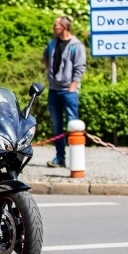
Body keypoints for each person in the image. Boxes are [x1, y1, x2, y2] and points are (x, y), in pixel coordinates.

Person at [42, 15, 86, 168]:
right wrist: (49, 74)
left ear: (64, 27)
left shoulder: (76, 45)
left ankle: (76, 159)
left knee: (73, 124)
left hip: (69, 91)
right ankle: (60, 157)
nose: (54, 28)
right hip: (54, 90)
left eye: (56, 25)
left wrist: (73, 86)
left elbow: (80, 67)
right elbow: (45, 57)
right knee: (56, 125)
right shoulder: (52, 43)